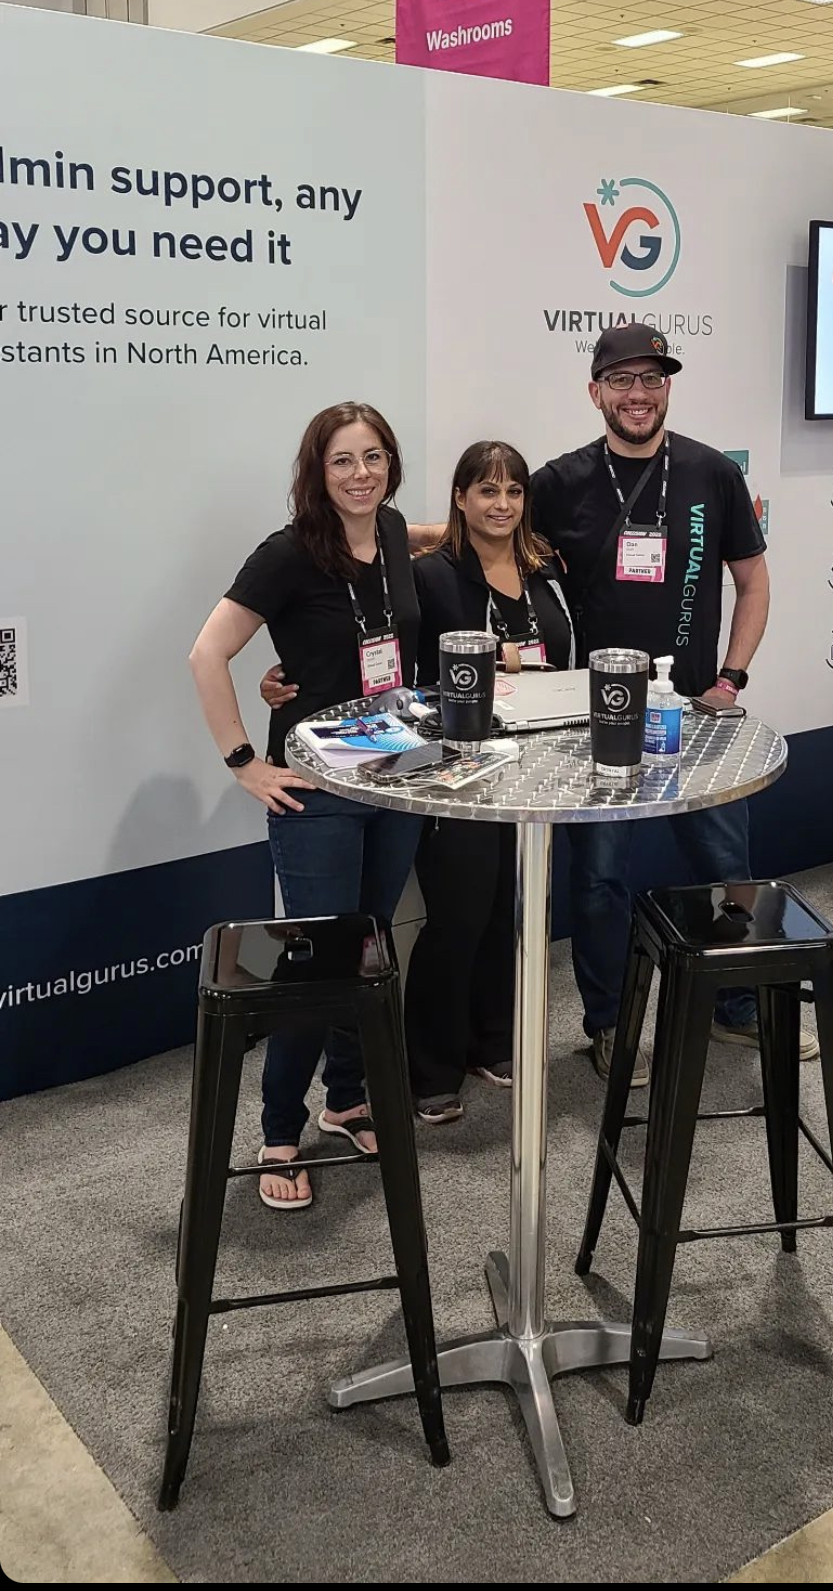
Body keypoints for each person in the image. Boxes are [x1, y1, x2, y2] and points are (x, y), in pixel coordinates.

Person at [527, 323, 818, 1079]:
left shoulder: (711, 473)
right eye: (621, 380)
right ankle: (609, 1024)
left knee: (726, 864)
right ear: (595, 391)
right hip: (598, 723)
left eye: (652, 380)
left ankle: (737, 1010)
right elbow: (484, 536)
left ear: (668, 390)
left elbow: (752, 581)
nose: (638, 395)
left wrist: (731, 679)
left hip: (696, 714)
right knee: (597, 880)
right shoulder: (558, 483)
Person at [189, 402, 421, 1210]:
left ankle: (347, 1098)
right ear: (315, 474)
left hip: (398, 778)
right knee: (316, 962)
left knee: (369, 950)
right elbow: (207, 652)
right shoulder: (287, 554)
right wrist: (244, 761)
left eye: (374, 457)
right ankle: (280, 1130)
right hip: (317, 791)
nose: (361, 474)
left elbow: (412, 562)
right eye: (342, 462)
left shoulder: (392, 533)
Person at [406, 440, 574, 1124]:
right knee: (458, 914)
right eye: (486, 491)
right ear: (460, 498)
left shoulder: (546, 570)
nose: (501, 505)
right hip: (460, 774)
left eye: (512, 492)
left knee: (512, 907)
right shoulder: (434, 577)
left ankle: (489, 1040)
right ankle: (431, 1066)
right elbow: (409, 684)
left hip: (535, 768)